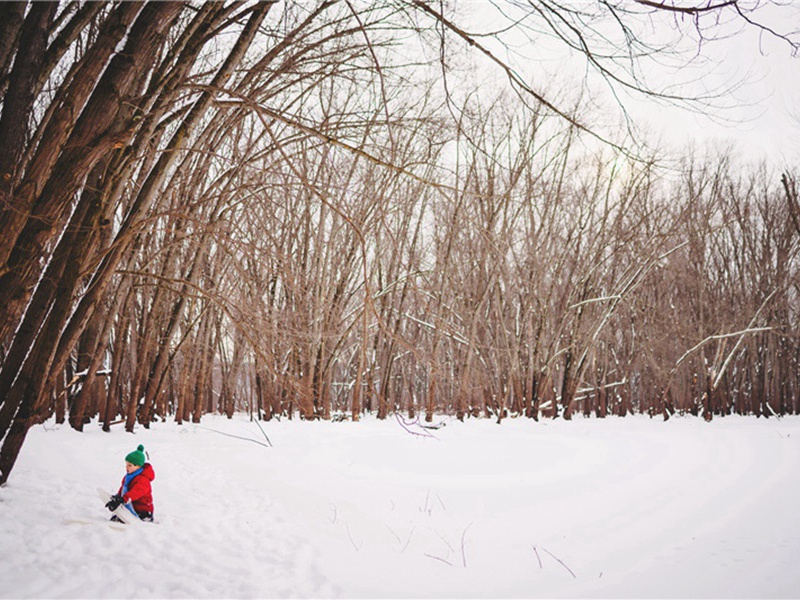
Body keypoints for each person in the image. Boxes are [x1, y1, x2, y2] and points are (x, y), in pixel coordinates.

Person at [106, 444, 155, 522]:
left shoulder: (143, 480)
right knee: (116, 519)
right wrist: (118, 497)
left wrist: (123, 499)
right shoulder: (129, 476)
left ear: (138, 466)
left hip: (143, 511)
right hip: (131, 506)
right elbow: (123, 488)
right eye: (126, 465)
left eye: (130, 465)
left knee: (121, 521)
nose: (126, 467)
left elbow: (135, 493)